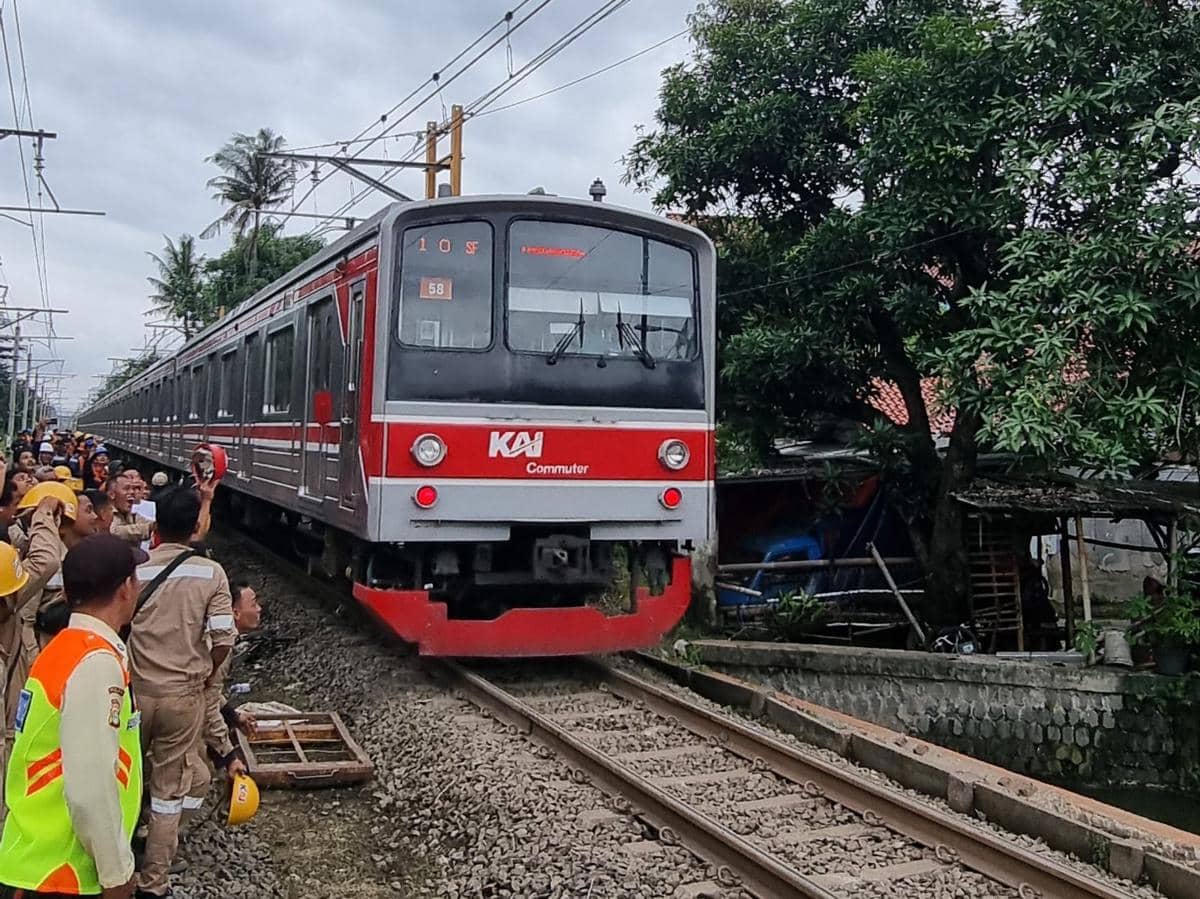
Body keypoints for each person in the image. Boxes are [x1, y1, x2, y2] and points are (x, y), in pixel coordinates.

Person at [0, 533, 145, 899]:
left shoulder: (62, 648)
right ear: (126, 589)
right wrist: (116, 874)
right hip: (62, 873)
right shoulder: (95, 663)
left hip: (37, 861)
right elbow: (91, 786)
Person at [129, 486, 235, 898]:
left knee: (128, 778)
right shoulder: (213, 574)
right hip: (184, 695)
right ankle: (154, 884)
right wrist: (208, 671)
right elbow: (224, 636)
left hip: (136, 693)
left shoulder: (135, 569)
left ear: (155, 526)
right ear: (195, 527)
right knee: (170, 791)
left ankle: (118, 867)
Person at [109, 473, 152, 547]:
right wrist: (148, 528)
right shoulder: (106, 513)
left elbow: (153, 525)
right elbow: (114, 532)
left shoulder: (132, 515)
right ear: (112, 494)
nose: (132, 492)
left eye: (133, 489)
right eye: (126, 488)